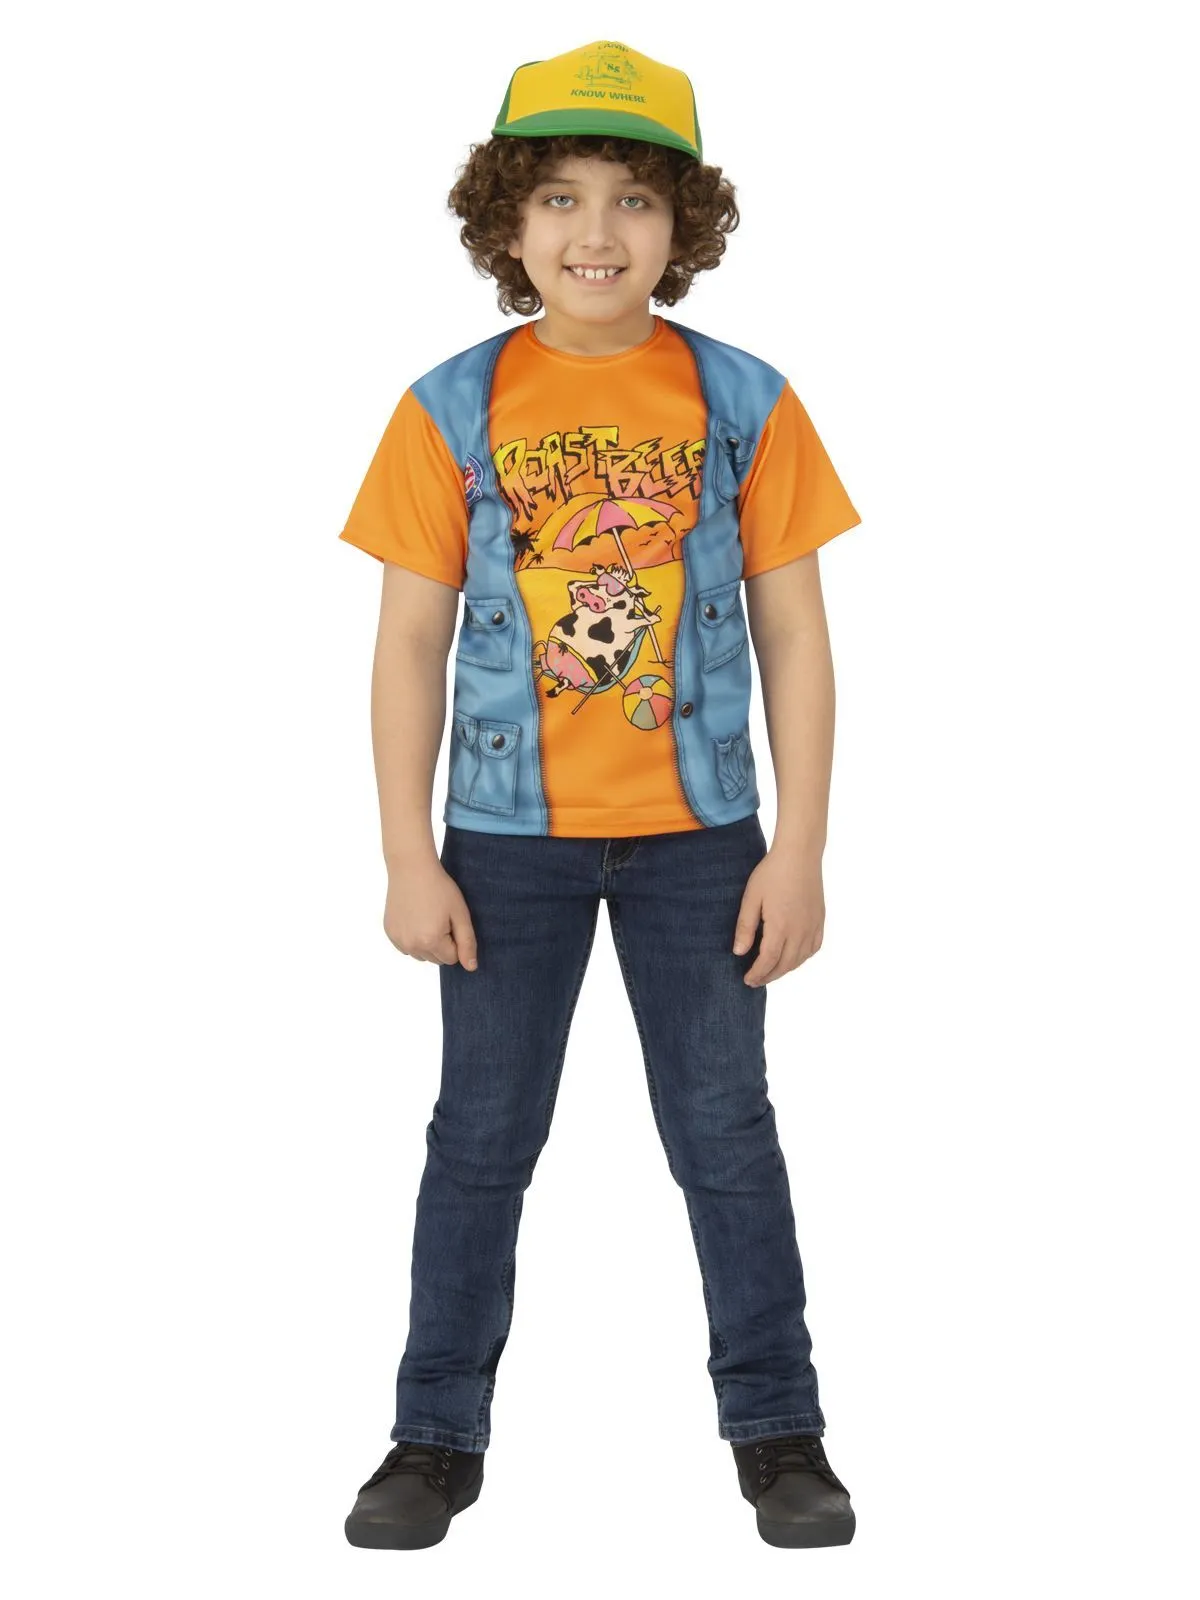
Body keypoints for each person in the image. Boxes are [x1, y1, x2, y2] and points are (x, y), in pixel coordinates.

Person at [337, 40, 862, 1552]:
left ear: (682, 225)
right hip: (505, 849)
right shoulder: (450, 407)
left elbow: (795, 633)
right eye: (558, 196)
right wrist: (406, 855)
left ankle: (780, 1432)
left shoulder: (743, 400)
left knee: (726, 1134)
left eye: (635, 199)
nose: (596, 231)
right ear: (505, 220)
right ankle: (432, 1437)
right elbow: (410, 642)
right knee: (480, 1138)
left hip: (705, 843)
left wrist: (801, 850)